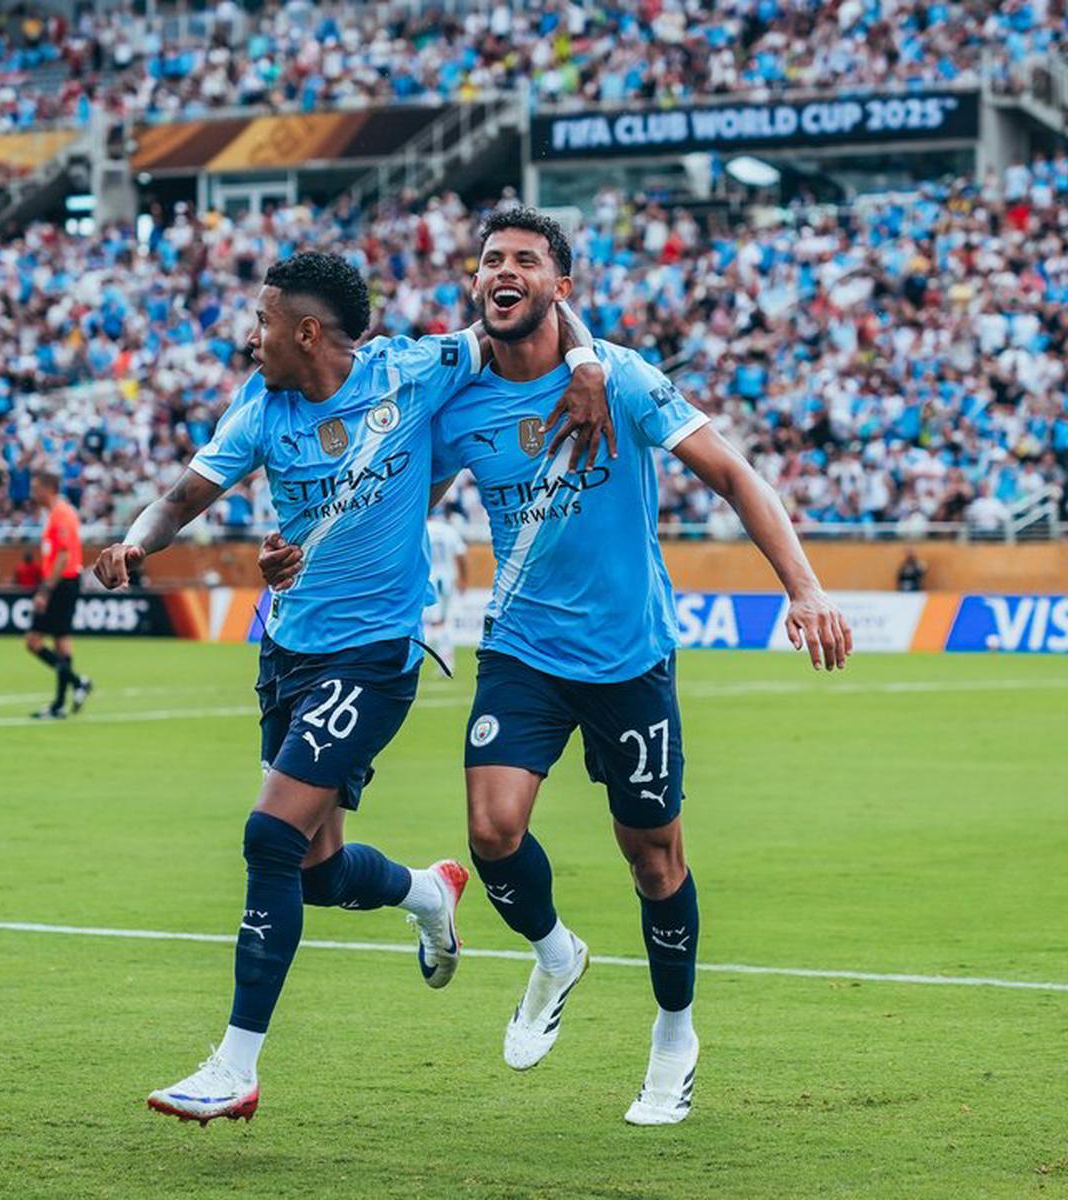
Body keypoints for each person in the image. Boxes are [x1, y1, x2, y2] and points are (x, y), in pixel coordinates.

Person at [91, 251, 610, 1125]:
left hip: (374, 658)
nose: (249, 337)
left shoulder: (412, 368)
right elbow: (182, 496)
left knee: (268, 836)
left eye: (261, 322)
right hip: (288, 653)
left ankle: (235, 1064)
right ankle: (425, 891)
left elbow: (538, 323)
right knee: (318, 872)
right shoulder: (261, 410)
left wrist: (589, 365)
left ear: (305, 331)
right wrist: (137, 543)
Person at [427, 209, 850, 1125]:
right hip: (521, 649)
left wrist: (806, 589)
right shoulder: (456, 396)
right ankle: (554, 954)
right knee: (492, 832)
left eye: (526, 261)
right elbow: (404, 497)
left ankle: (673, 1035)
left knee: (653, 859)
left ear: (560, 287)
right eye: (491, 259)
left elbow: (736, 476)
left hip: (628, 656)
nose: (504, 271)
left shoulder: (619, 377)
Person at [26, 470, 92, 719]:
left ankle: (75, 686)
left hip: (62, 583)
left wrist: (45, 590)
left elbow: (63, 555)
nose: (33, 493)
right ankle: (63, 701)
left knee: (34, 641)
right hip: (63, 582)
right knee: (61, 641)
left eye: (36, 488)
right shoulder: (56, 513)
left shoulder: (62, 513)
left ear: (48, 488)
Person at [423, 506, 468, 673]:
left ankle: (442, 661)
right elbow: (461, 556)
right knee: (443, 621)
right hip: (446, 580)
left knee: (431, 623)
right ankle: (445, 661)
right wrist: (464, 579)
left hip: (427, 580)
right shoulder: (448, 530)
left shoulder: (423, 529)